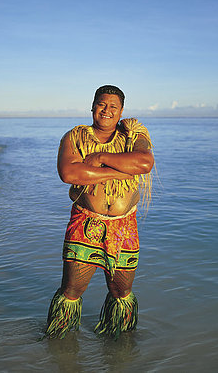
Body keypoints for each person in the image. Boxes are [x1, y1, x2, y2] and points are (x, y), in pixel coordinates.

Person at [44, 85, 154, 340]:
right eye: (102, 104)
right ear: (93, 106)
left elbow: (144, 163)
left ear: (121, 111)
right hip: (85, 223)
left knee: (122, 292)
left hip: (124, 225)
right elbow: (69, 173)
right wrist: (120, 170)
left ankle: (121, 347)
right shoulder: (74, 136)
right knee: (71, 290)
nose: (107, 110)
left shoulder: (133, 135)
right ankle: (59, 346)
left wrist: (100, 157)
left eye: (113, 107)